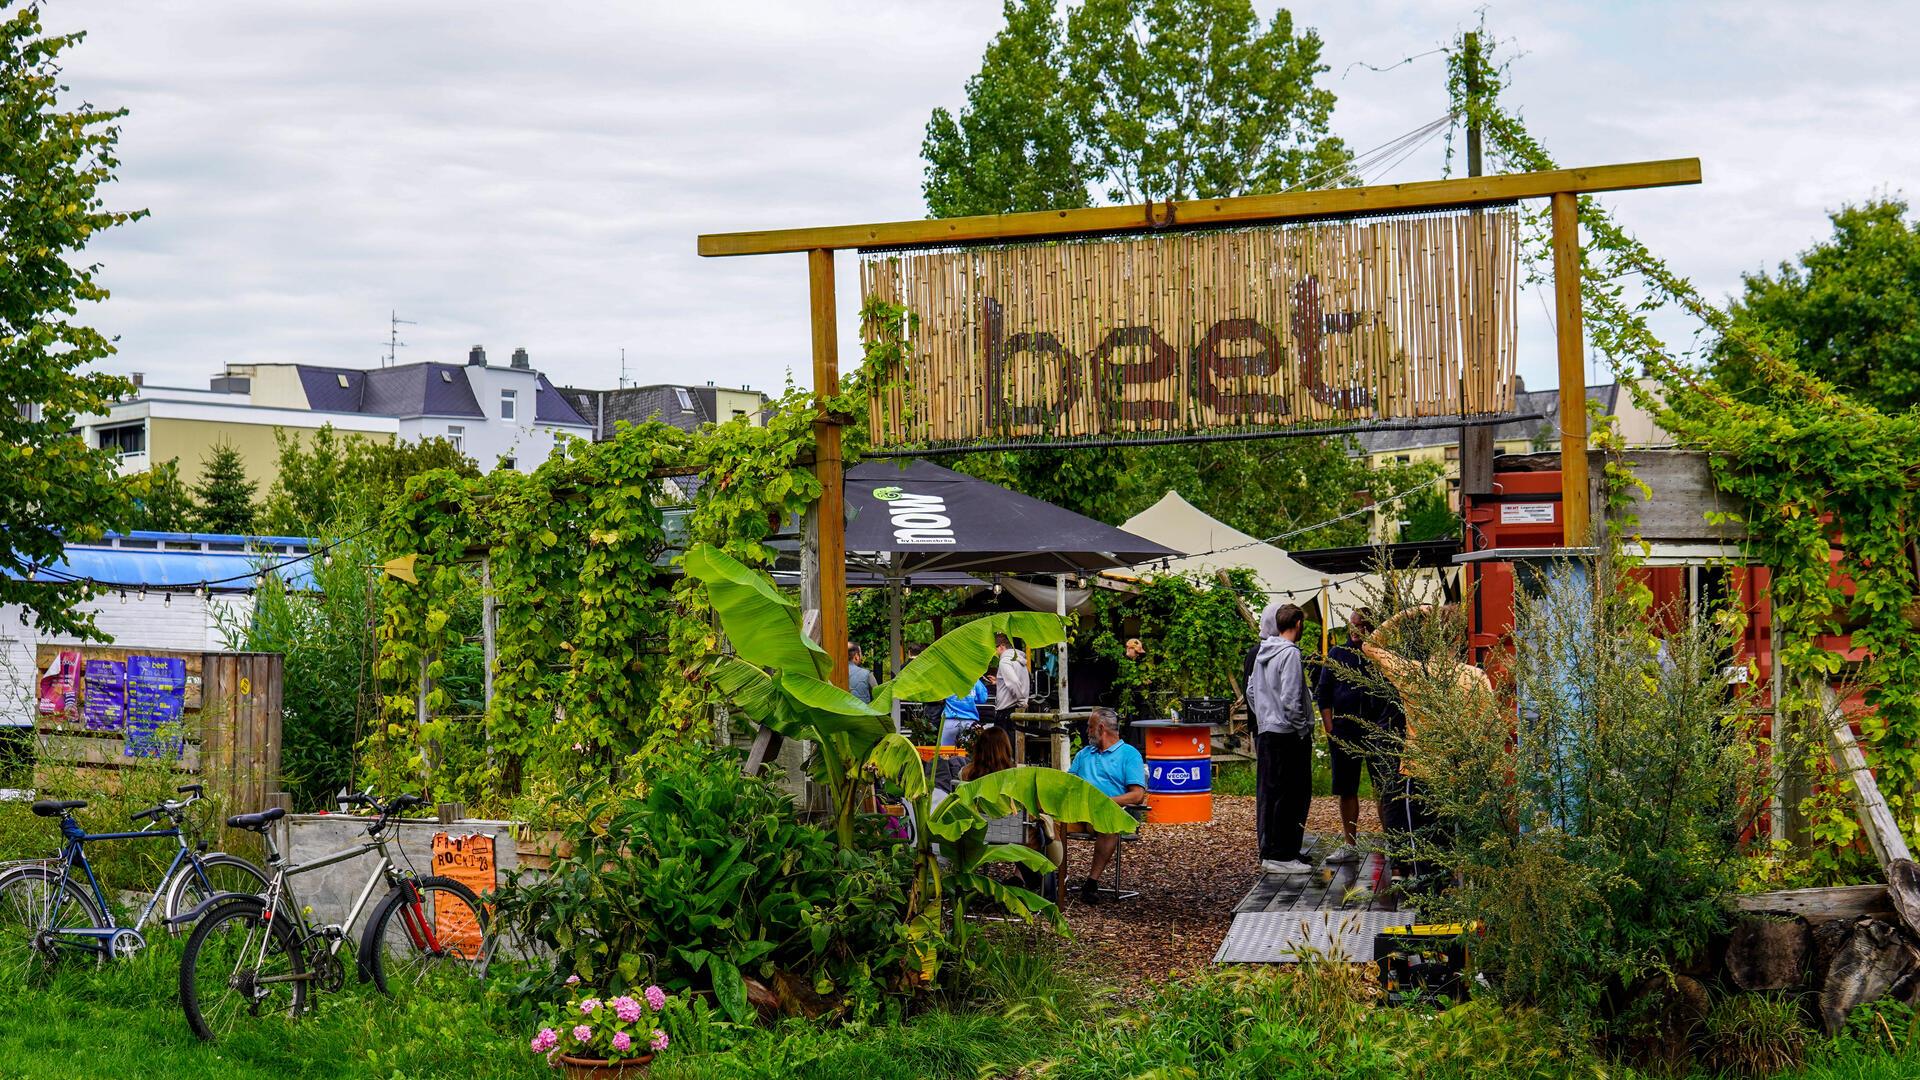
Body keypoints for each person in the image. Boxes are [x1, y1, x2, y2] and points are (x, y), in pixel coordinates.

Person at [1361, 604, 1495, 886]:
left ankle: (1430, 919)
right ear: (1459, 639)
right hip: (1464, 777)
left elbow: (1370, 645)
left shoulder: (1413, 674)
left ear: (1426, 638)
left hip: (1421, 776)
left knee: (1426, 862)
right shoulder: (1476, 677)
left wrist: (1408, 614)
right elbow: (1491, 731)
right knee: (1469, 857)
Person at [1314, 609, 1393, 865]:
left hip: (1377, 730)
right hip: (1345, 731)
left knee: (1383, 786)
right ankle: (1350, 844)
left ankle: (1392, 841)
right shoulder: (1338, 654)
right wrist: (1331, 731)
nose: (1355, 630)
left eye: (1361, 625)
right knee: (1346, 788)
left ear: (1371, 628)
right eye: (1352, 625)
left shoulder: (1380, 655)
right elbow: (1323, 694)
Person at [1249, 602, 1314, 876]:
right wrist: (1301, 727)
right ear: (1297, 624)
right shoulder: (1290, 654)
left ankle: (1278, 850)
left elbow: (1252, 690)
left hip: (1267, 732)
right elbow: (1291, 697)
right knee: (1292, 795)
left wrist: (1265, 715)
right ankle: (1281, 855)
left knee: (1273, 793)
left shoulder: (1263, 651)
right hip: (1287, 733)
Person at [1065, 707, 1148, 904]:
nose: (1086, 731)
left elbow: (1137, 795)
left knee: (1110, 825)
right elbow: (1067, 784)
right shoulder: (1084, 754)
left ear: (1101, 728)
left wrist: (1105, 802)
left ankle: (1091, 883)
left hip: (1105, 814)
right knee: (1043, 823)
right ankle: (1047, 878)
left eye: (1089, 727)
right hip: (1078, 812)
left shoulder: (1129, 754)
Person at [940, 674, 991, 748]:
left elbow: (939, 697)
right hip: (969, 721)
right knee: (967, 751)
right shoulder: (974, 680)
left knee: (945, 752)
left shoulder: (948, 679)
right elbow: (982, 699)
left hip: (949, 721)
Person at [990, 634, 1030, 724]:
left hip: (1007, 711)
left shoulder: (1004, 661)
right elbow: (1019, 680)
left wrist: (1021, 702)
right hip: (1018, 709)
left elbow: (1014, 682)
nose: (995, 652)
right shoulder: (1019, 660)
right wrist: (998, 682)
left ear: (1002, 646)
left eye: (995, 648)